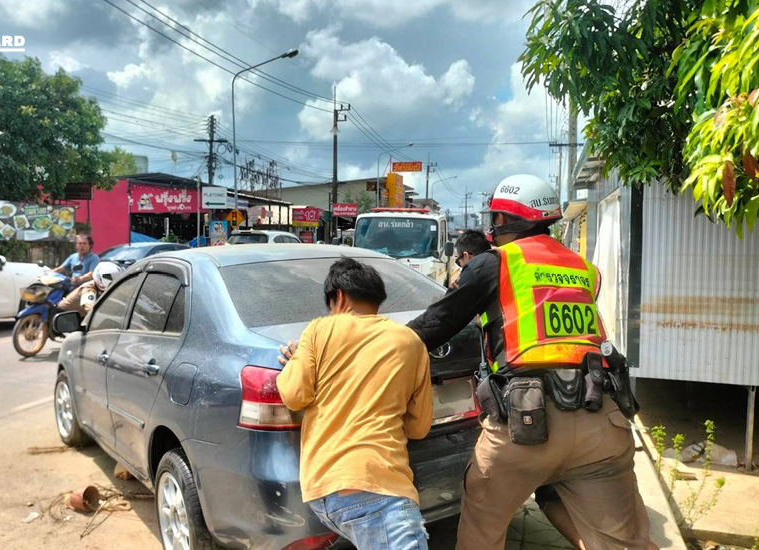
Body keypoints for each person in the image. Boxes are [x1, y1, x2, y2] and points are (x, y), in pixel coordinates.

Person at [407, 174, 656, 550]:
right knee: (623, 542)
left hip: (525, 426)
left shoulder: (495, 264)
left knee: (482, 528)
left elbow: (433, 327)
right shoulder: (583, 269)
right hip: (602, 421)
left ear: (506, 221)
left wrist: (367, 342)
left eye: (496, 218)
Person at [276, 258, 433, 550]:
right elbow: (420, 427)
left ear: (338, 296)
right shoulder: (410, 341)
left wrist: (294, 362)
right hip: (379, 486)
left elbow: (295, 396)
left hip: (324, 490)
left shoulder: (319, 331)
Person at [451, 228, 588, 550]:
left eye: (459, 260)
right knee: (550, 490)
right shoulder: (567, 274)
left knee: (484, 506)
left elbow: (445, 321)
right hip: (579, 404)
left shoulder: (484, 276)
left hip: (521, 411)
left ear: (468, 257)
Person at [54, 234, 100, 313]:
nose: (82, 246)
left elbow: (91, 274)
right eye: (79, 243)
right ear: (76, 246)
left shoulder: (94, 258)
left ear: (90, 246)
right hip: (71, 285)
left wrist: (80, 279)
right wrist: (47, 273)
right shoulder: (73, 257)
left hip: (85, 288)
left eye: (84, 243)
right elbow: (61, 268)